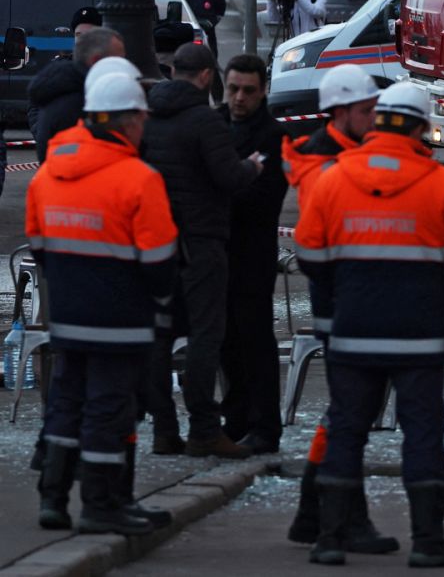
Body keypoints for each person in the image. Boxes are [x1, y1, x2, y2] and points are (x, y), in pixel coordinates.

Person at [295, 82, 444, 567]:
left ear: (379, 120)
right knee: (423, 431)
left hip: (353, 328)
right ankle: (428, 542)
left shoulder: (335, 178)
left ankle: (330, 538)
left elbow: (309, 254)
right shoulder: (441, 184)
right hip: (418, 333)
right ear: (423, 127)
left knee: (346, 428)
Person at [26, 72, 177, 536]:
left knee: (66, 402)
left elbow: (38, 243)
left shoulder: (50, 169)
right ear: (127, 119)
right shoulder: (139, 178)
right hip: (122, 316)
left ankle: (53, 498)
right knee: (109, 410)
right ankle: (102, 502)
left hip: (69, 314)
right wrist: (160, 300)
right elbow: (159, 260)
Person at [282, 64, 396, 556]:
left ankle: (314, 513)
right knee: (352, 414)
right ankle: (343, 519)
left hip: (351, 302)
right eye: (368, 111)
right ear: (342, 112)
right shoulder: (327, 166)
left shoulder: (340, 155)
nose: (374, 120)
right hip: (345, 305)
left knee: (349, 413)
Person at [140, 44, 265, 458]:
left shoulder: (150, 119)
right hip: (202, 244)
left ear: (173, 71)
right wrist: (253, 167)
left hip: (158, 245)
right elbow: (228, 177)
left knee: (160, 339)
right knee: (204, 337)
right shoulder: (204, 121)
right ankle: (205, 430)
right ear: (208, 77)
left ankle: (163, 429)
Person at [216, 54, 290, 455]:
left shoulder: (272, 136)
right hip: (218, 252)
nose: (238, 98)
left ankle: (265, 426)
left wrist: (223, 189)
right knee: (226, 343)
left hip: (252, 253)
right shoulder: (215, 124)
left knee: (256, 343)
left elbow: (264, 198)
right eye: (233, 89)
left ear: (263, 91)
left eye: (247, 90)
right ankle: (237, 419)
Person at [28, 27, 126, 161]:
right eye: (117, 60)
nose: (123, 65)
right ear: (97, 60)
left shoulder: (66, 89)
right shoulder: (76, 103)